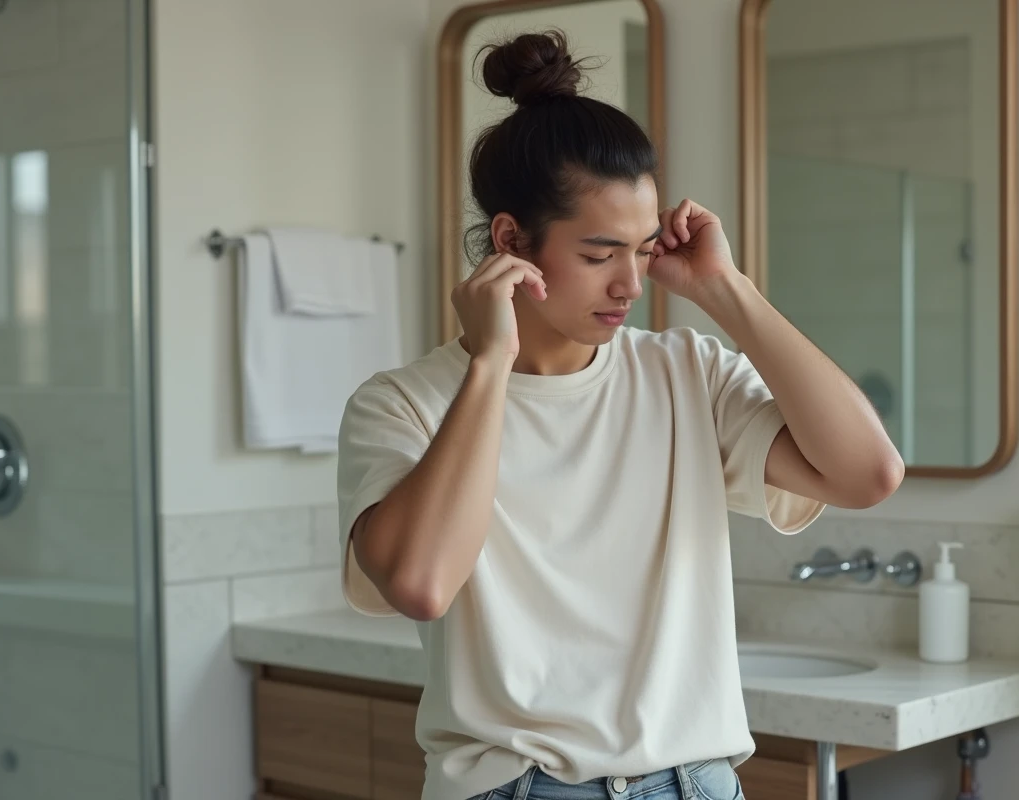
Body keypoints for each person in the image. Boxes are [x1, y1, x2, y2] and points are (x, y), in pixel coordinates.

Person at [336, 30, 903, 800]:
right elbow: (422, 584)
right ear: (511, 241)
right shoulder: (403, 403)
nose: (631, 285)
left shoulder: (685, 373)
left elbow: (869, 474)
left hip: (697, 784)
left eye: (640, 251)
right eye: (600, 255)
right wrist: (491, 363)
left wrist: (725, 288)